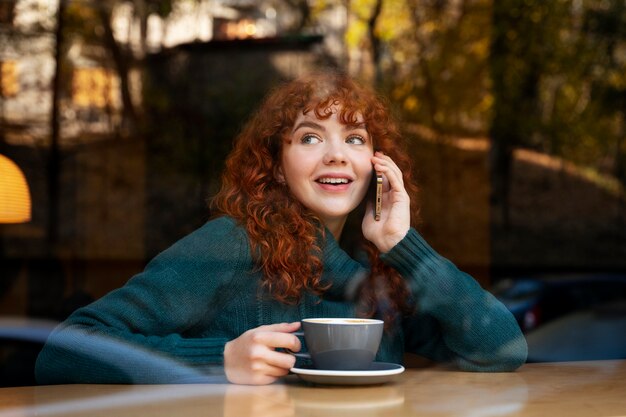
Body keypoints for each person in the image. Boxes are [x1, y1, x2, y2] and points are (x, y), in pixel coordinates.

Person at [35, 71, 527, 385]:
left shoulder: (380, 270)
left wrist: (404, 246)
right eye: (310, 137)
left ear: (377, 165)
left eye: (354, 138)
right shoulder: (232, 244)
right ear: (275, 165)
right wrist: (218, 359)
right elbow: (64, 350)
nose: (336, 153)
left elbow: (501, 349)